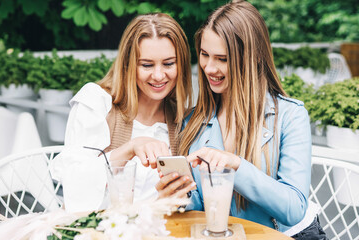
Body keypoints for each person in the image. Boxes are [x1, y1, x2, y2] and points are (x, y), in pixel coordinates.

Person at [163, 0, 326, 239]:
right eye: (205, 55)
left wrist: (236, 165)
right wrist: (178, 196)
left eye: (222, 58)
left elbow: (293, 209)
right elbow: (199, 206)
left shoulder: (291, 116)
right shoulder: (194, 121)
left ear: (252, 58)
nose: (209, 67)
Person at [50, 13, 196, 211]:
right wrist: (130, 148)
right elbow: (75, 186)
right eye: (147, 65)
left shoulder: (183, 120)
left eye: (169, 63)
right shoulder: (97, 102)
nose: (159, 75)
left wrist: (164, 201)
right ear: (128, 65)